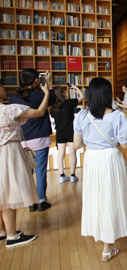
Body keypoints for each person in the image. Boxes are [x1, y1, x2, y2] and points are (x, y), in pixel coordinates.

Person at [73, 78, 127, 262]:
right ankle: (107, 247)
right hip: (110, 158)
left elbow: (76, 145)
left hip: (91, 159)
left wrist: (92, 142)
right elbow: (126, 145)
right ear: (107, 94)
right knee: (111, 198)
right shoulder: (118, 116)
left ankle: (101, 234)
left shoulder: (81, 116)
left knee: (95, 197)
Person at [0, 78, 49, 247]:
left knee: (1, 192)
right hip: (8, 152)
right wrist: (47, 92)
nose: (4, 89)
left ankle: (2, 231)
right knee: (8, 193)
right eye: (1, 86)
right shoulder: (9, 110)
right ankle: (12, 236)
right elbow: (40, 112)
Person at [10, 68, 56, 212]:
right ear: (36, 80)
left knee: (27, 172)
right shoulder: (39, 95)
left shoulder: (14, 98)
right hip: (39, 138)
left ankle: (31, 202)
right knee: (40, 171)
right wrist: (48, 83)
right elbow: (54, 98)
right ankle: (41, 199)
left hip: (23, 139)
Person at [50, 85, 85, 183]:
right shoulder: (69, 103)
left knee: (60, 154)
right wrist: (75, 88)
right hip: (71, 131)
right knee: (72, 153)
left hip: (60, 132)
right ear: (62, 93)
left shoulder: (53, 108)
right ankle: (73, 175)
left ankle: (62, 175)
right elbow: (82, 97)